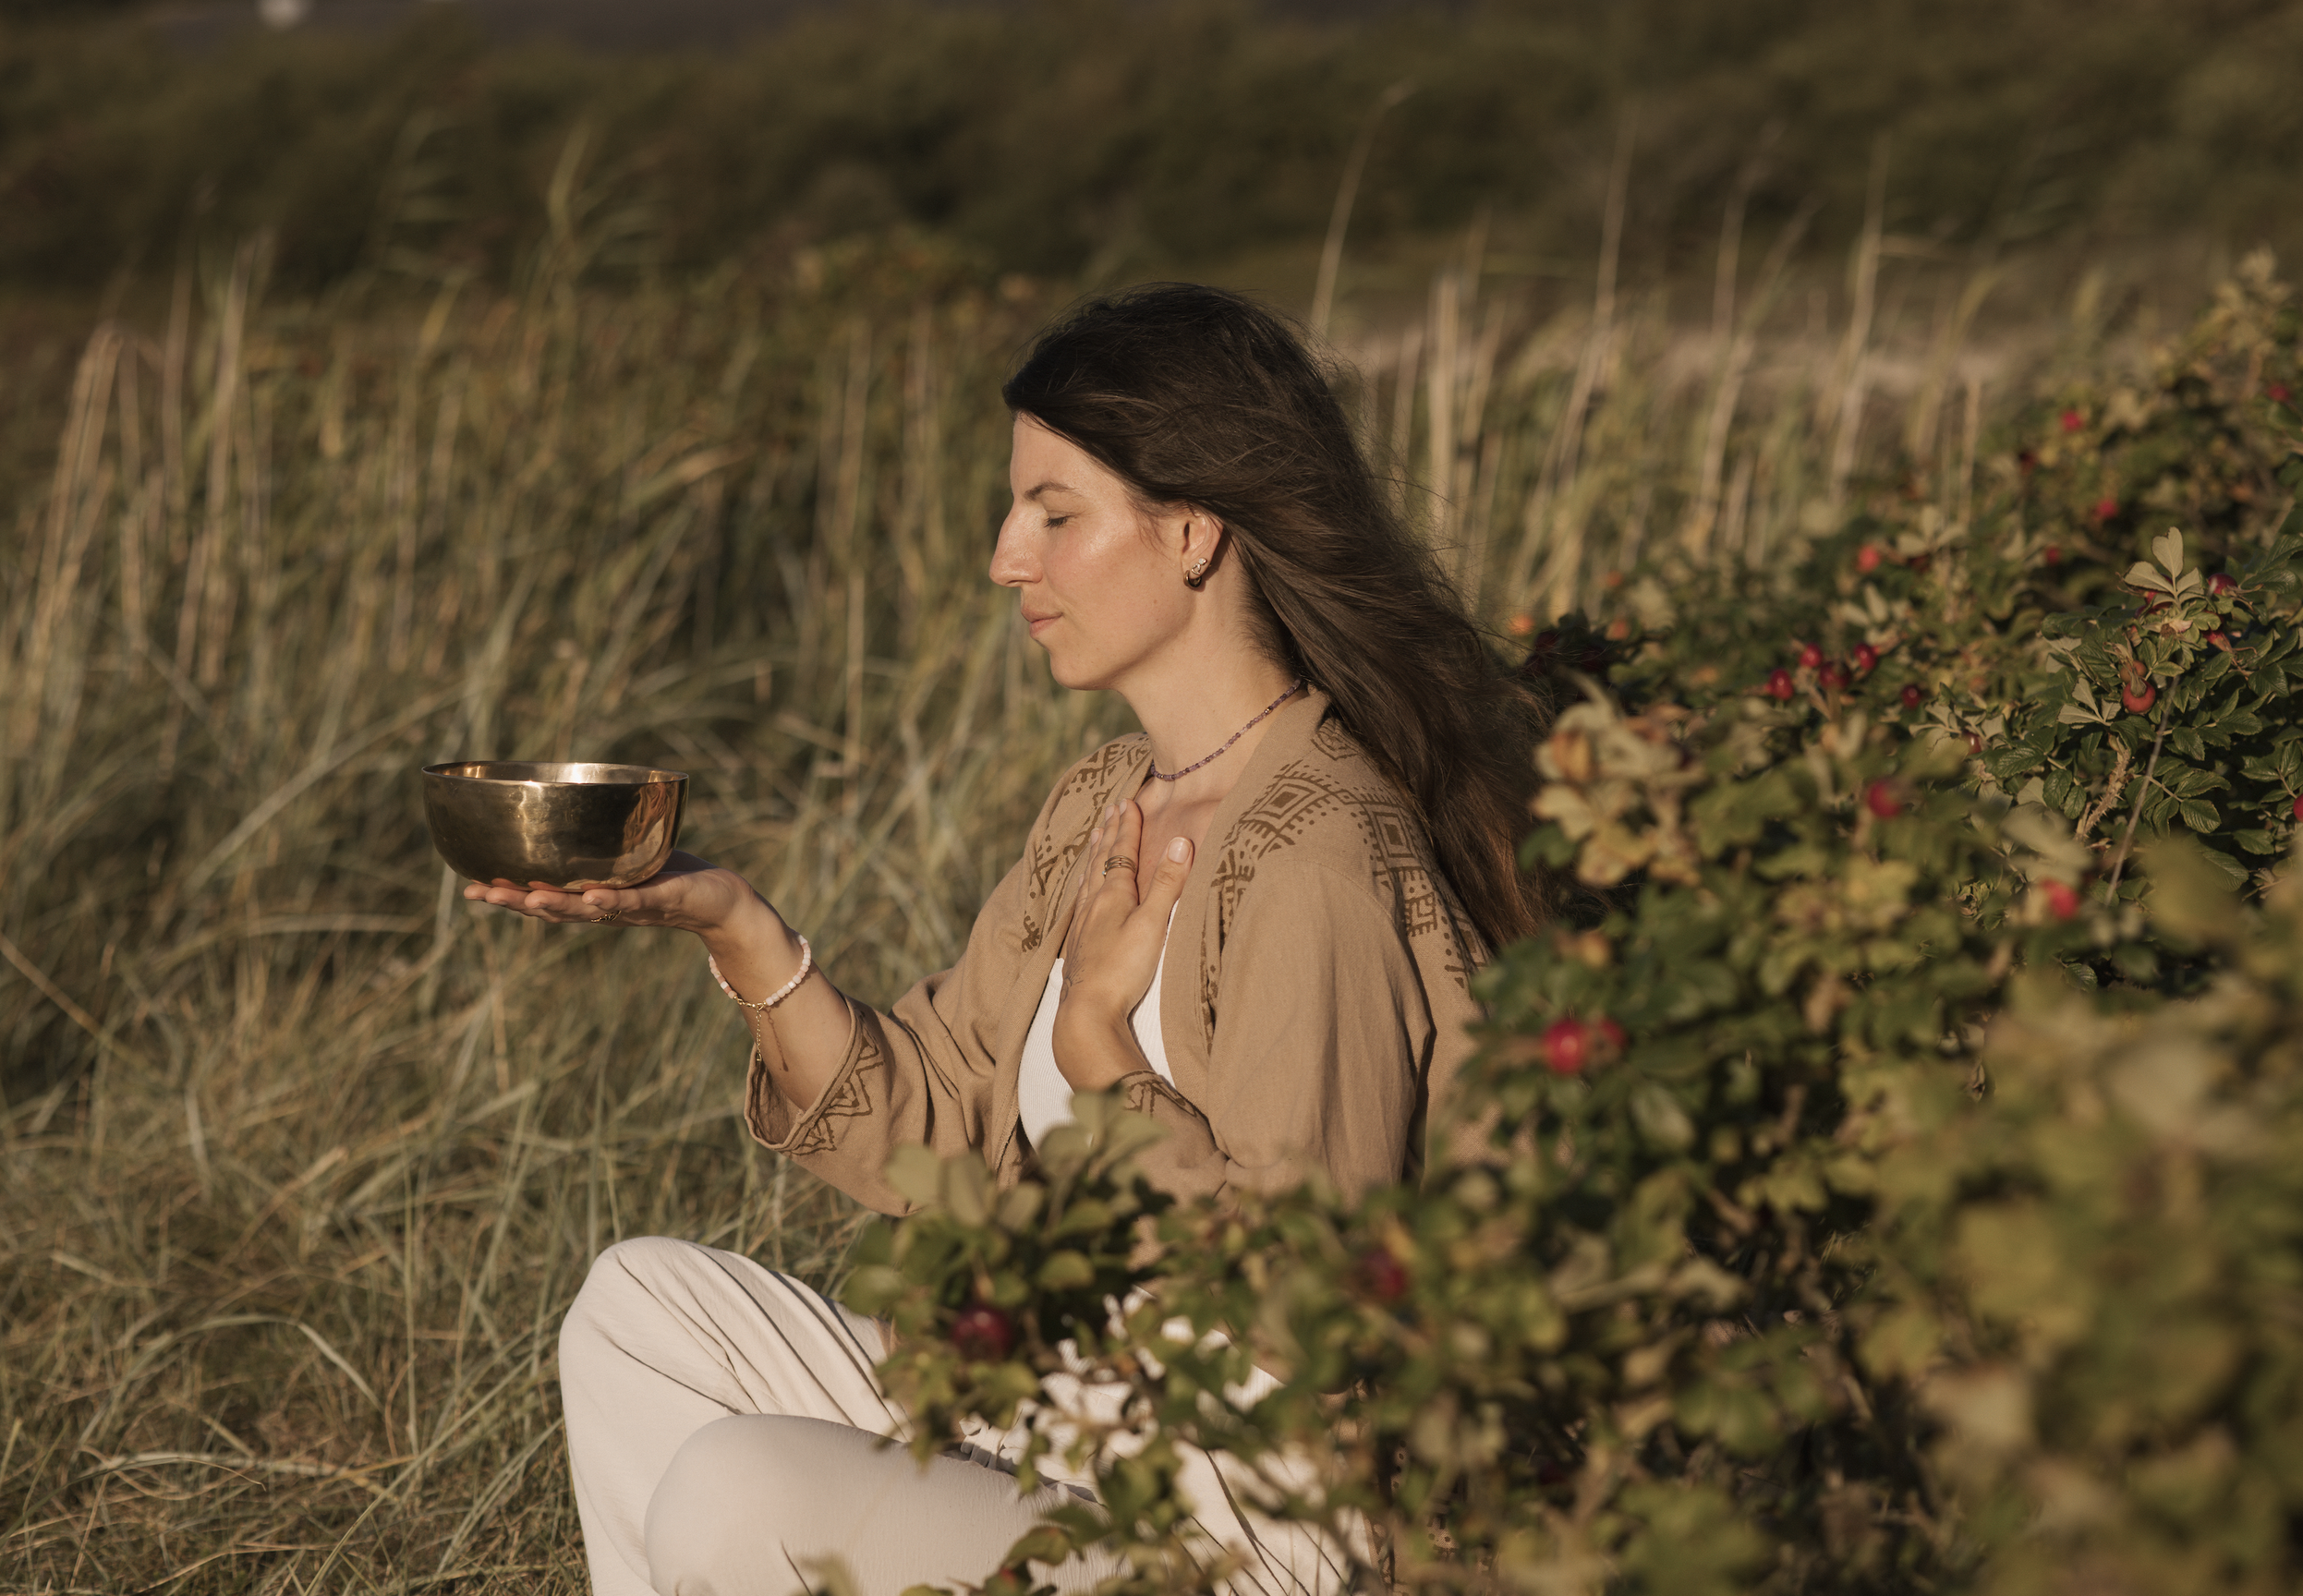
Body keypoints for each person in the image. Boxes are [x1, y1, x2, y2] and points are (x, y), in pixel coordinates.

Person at [465, 284, 1554, 1596]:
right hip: (1050, 1420)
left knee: (738, 1491)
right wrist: (732, 920)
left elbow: (1306, 1302)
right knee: (639, 1312)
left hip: (1250, 1523)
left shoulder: (1319, 853)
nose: (1005, 559)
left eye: (1054, 514)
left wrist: (1100, 1052)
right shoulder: (1103, 806)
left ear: (1196, 530)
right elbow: (930, 1128)